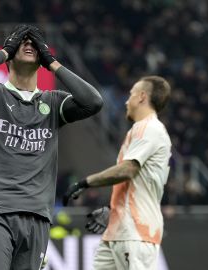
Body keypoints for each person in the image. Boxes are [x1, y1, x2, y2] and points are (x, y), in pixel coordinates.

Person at [0, 24, 103, 269]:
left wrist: (52, 62)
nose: (29, 44)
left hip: (37, 215)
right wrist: (2, 52)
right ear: (10, 55)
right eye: (22, 42)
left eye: (35, 43)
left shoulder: (53, 102)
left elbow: (93, 102)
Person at [63, 76, 172, 270]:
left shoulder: (150, 129)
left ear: (142, 97)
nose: (126, 101)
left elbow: (128, 170)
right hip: (119, 231)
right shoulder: (139, 130)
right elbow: (135, 186)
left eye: (130, 95)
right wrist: (114, 211)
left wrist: (85, 183)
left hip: (137, 232)